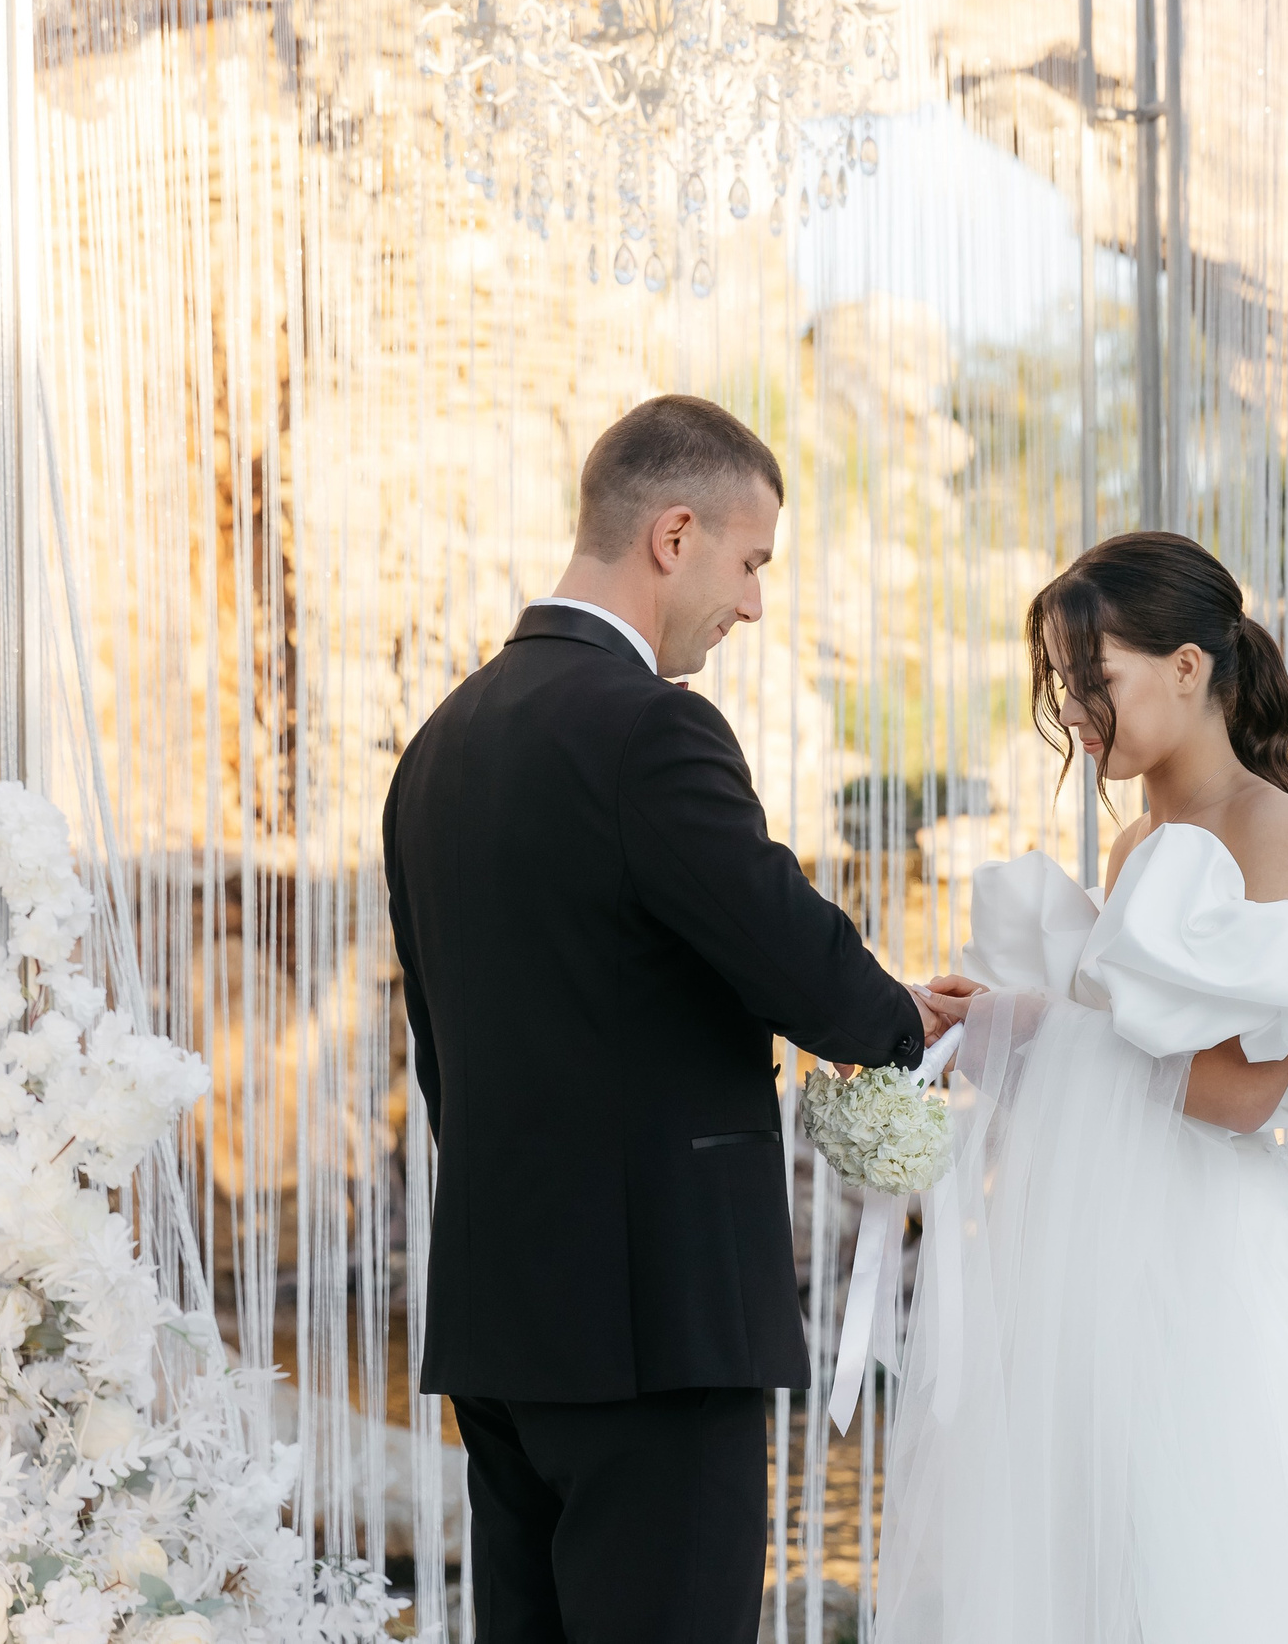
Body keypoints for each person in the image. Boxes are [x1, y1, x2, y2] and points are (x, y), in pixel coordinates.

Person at [382, 394, 965, 1644]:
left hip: (501, 1319)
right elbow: (782, 945)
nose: (751, 604)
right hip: (654, 1323)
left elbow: (443, 1052)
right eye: (749, 563)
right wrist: (899, 1020)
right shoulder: (648, 728)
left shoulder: (438, 744)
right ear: (674, 533)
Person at [877, 530, 1288, 1643]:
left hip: (1203, 1257)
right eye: (1063, 687)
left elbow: (1236, 1098)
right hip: (1096, 1245)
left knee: (1210, 1550)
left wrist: (1035, 1032)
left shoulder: (1271, 828)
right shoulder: (1135, 849)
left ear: (1186, 665)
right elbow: (1132, 1059)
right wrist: (997, 1035)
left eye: (1092, 678)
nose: (1074, 711)